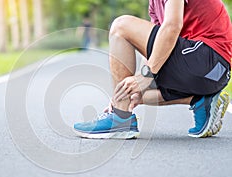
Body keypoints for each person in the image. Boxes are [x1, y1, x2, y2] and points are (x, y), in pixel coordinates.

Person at [74, 0, 231, 139]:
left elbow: (172, 27)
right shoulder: (154, 4)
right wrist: (128, 90)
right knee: (136, 92)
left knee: (120, 26)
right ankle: (201, 101)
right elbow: (153, 50)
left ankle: (120, 118)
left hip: (208, 58)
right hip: (212, 73)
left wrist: (146, 76)